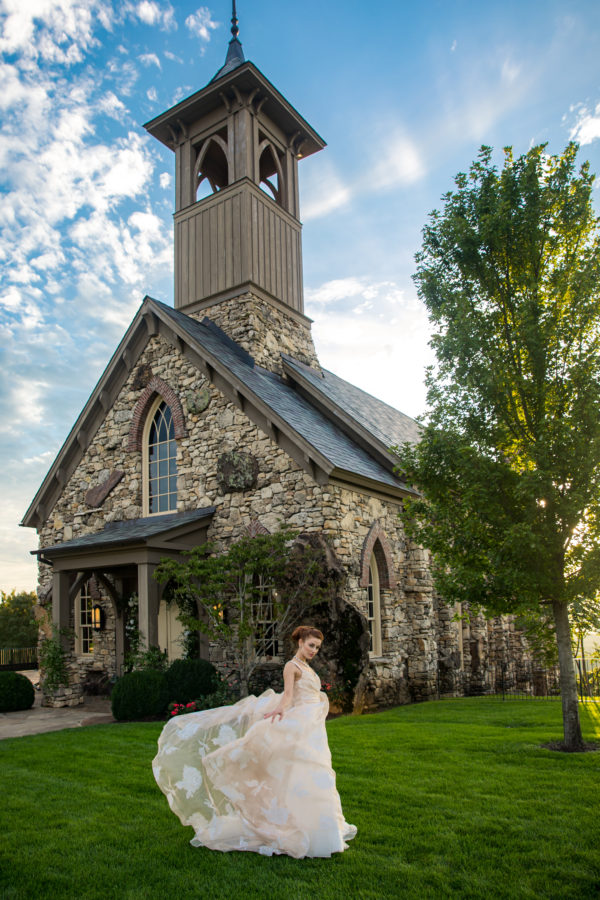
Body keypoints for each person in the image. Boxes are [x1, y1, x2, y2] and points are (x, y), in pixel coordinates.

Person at [152, 625, 357, 858]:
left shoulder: (307, 668)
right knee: (302, 771)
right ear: (300, 642)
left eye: (317, 647)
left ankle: (319, 830)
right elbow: (288, 696)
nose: (314, 651)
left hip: (312, 728)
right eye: (311, 645)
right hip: (300, 725)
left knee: (312, 775)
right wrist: (279, 710)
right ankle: (297, 829)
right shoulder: (292, 667)